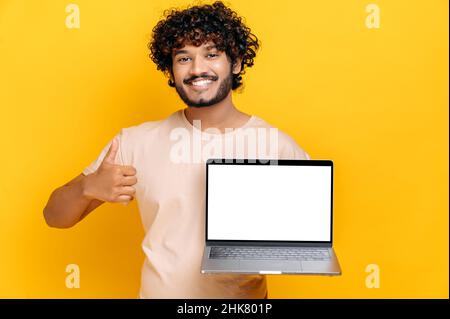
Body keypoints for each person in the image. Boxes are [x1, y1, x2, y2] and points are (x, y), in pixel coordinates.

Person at [43, 1, 310, 299]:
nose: (197, 69)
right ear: (170, 68)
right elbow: (54, 216)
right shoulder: (135, 142)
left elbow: (303, 243)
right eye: (184, 58)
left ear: (235, 63)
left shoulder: (277, 147)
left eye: (211, 54)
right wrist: (87, 187)